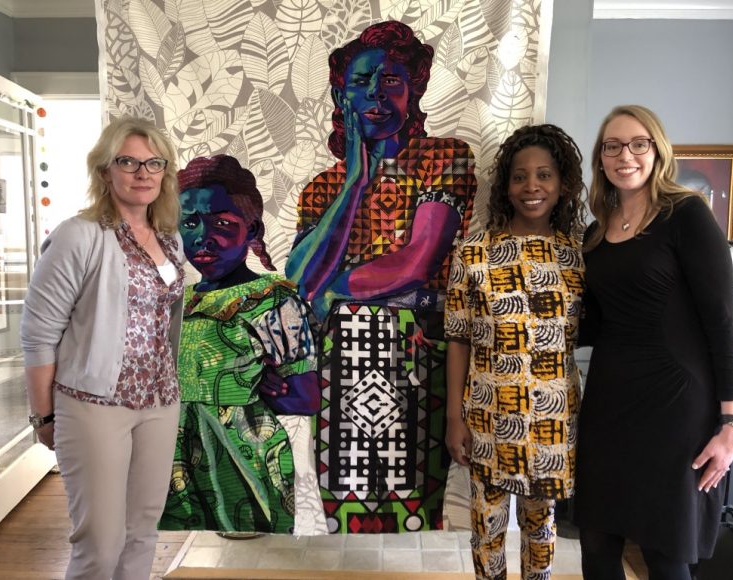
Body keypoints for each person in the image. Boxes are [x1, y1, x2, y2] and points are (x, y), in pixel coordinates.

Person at [285, 20, 477, 534]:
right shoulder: (323, 188)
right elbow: (297, 278)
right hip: (336, 370)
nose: (376, 94)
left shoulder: (444, 158)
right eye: (361, 81)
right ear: (339, 92)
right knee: (341, 504)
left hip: (416, 358)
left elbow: (418, 260)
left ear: (414, 89)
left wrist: (332, 287)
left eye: (391, 80)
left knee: (415, 502)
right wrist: (353, 182)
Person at [575, 104, 733, 580]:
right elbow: (594, 324)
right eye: (612, 146)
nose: (624, 155)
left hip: (675, 407)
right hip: (609, 402)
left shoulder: (686, 215)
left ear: (657, 150)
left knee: (666, 551)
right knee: (597, 541)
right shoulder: (595, 233)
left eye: (637, 144)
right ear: (600, 157)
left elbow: (722, 322)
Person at [20, 116, 185, 580]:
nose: (143, 172)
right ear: (104, 171)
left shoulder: (170, 239)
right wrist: (45, 416)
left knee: (142, 533)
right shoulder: (79, 236)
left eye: (154, 162)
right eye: (128, 161)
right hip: (94, 404)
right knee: (100, 543)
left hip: (158, 402)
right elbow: (38, 332)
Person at [445, 124, 587, 580]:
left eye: (544, 175)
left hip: (551, 424)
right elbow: (458, 338)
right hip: (487, 417)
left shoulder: (579, 256)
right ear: (506, 186)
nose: (532, 187)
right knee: (486, 531)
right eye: (520, 176)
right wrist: (454, 417)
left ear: (562, 184)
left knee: (541, 529)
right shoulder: (473, 254)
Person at [158, 154, 320, 534]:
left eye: (222, 223)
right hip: (179, 463)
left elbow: (306, 396)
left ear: (252, 230)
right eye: (190, 222)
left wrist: (246, 385)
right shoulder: (179, 299)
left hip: (247, 465)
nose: (202, 236)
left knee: (256, 555)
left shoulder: (274, 301)